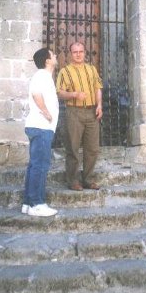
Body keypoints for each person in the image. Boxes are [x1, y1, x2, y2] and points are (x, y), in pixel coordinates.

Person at [56, 41, 103, 191]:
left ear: (85, 52)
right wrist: (74, 94)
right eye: (75, 52)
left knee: (92, 148)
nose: (78, 54)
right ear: (70, 54)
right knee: (73, 148)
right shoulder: (65, 71)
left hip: (91, 111)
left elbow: (98, 88)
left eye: (81, 51)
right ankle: (73, 181)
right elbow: (60, 92)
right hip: (74, 112)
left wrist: (100, 105)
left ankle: (88, 180)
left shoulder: (92, 69)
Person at [22, 48, 59, 217]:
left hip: (40, 127)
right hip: (41, 126)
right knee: (40, 165)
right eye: (53, 55)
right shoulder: (42, 75)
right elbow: (36, 94)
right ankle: (37, 203)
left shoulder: (44, 76)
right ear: (47, 60)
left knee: (34, 165)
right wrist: (46, 112)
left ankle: (28, 204)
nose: (56, 56)